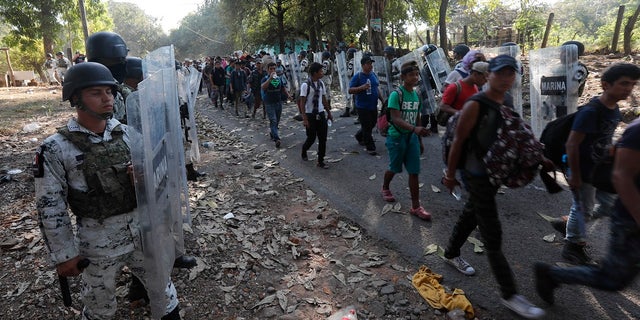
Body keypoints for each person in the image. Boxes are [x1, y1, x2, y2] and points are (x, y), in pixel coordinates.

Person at [34, 62, 181, 320]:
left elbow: (160, 179)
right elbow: (50, 205)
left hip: (142, 233)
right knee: (101, 307)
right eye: (96, 93)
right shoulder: (56, 148)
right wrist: (65, 254)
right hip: (98, 241)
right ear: (75, 98)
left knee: (164, 294)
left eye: (109, 92)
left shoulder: (128, 135)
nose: (107, 99)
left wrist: (145, 178)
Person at [441, 55, 547, 319]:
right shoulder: (476, 104)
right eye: (500, 73)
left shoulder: (506, 102)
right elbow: (458, 143)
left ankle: (452, 252)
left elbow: (515, 135)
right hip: (476, 175)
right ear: (489, 75)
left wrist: (540, 158)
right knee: (492, 234)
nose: (506, 78)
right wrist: (450, 175)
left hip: (493, 174)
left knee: (471, 214)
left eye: (511, 74)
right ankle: (510, 294)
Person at [534, 117, 640, 306]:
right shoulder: (636, 131)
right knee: (612, 279)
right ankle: (553, 272)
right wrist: (574, 173)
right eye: (624, 83)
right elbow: (620, 175)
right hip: (630, 220)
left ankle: (569, 230)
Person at [557, 63, 640, 265]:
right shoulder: (591, 112)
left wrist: (612, 150)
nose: (628, 89)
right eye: (623, 84)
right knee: (583, 208)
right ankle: (573, 246)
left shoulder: (614, 109)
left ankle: (570, 223)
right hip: (583, 170)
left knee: (608, 205)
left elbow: (604, 136)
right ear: (605, 85)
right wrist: (574, 174)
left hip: (600, 169)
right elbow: (572, 143)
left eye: (632, 84)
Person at [380, 60, 431, 220]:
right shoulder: (396, 94)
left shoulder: (416, 95)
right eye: (411, 75)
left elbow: (417, 116)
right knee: (394, 168)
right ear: (403, 77)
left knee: (414, 172)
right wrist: (414, 129)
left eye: (417, 74)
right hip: (396, 137)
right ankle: (385, 187)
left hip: (412, 139)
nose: (415, 77)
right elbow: (395, 119)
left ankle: (416, 207)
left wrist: (419, 138)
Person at [299, 62, 333, 169]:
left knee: (323, 138)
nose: (322, 73)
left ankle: (320, 160)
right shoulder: (306, 85)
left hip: (321, 113)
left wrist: (329, 112)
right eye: (320, 71)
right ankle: (304, 150)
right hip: (310, 115)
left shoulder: (321, 84)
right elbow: (302, 102)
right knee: (311, 137)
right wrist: (304, 118)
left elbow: (323, 99)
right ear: (315, 73)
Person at [348, 55, 384, 155]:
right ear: (363, 65)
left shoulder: (373, 75)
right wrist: (361, 87)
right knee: (367, 126)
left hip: (373, 105)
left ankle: (359, 136)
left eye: (371, 63)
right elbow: (350, 90)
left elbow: (376, 88)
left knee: (372, 124)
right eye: (368, 64)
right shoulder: (358, 76)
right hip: (362, 106)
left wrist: (382, 100)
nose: (370, 66)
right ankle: (370, 147)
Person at [261, 62, 289, 148]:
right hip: (269, 103)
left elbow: (283, 88)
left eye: (274, 69)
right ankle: (277, 139)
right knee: (273, 120)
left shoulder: (278, 78)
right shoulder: (265, 78)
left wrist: (289, 96)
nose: (273, 70)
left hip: (278, 102)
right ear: (268, 70)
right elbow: (263, 87)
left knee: (277, 120)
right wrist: (269, 79)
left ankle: (273, 132)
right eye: (271, 69)